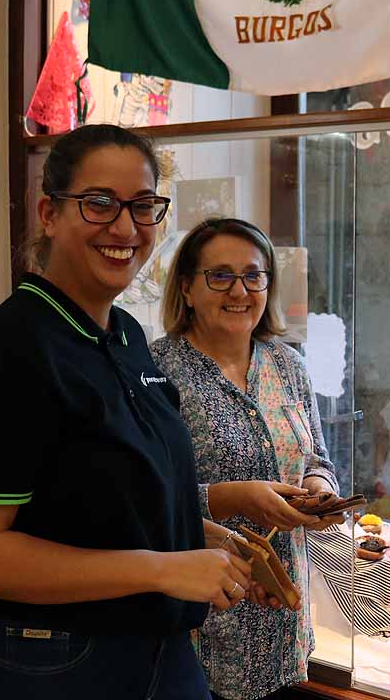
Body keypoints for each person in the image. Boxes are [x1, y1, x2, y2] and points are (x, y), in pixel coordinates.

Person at [0, 125, 266, 699]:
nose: (125, 227)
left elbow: (100, 499)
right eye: (99, 204)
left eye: (143, 206)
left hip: (160, 654)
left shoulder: (128, 336)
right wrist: (160, 569)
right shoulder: (7, 348)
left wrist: (189, 536)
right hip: (49, 662)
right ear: (49, 213)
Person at [150, 217, 342, 700]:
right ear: (188, 288)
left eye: (253, 276)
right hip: (200, 622)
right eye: (220, 276)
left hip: (283, 618)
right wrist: (233, 498)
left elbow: (317, 457)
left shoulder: (287, 365)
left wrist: (320, 491)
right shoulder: (157, 371)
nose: (239, 290)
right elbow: (142, 497)